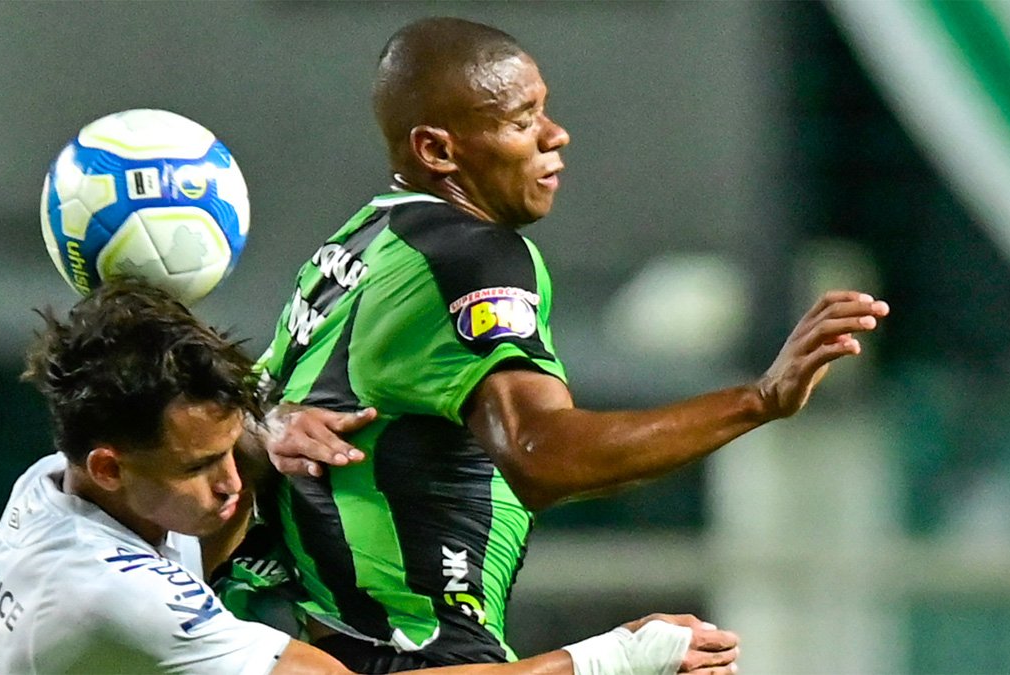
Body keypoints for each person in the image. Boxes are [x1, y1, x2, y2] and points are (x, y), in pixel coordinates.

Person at [244, 15, 889, 673]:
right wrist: (758, 400)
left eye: (544, 111)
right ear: (438, 151)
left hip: (338, 641)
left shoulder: (357, 242)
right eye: (523, 121)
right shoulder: (472, 255)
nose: (556, 136)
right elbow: (540, 452)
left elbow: (252, 403)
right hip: (419, 654)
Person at [0, 278, 739, 675]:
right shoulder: (107, 598)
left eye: (230, 450)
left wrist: (269, 419)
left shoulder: (61, 480)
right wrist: (608, 658)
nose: (231, 484)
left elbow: (226, 458)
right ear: (108, 466)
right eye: (201, 467)